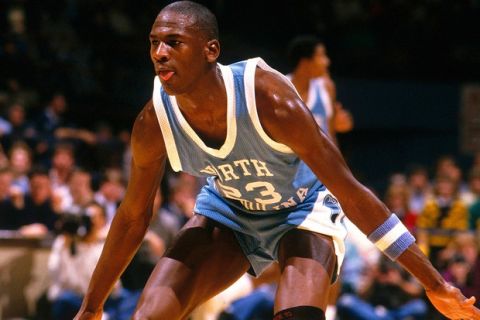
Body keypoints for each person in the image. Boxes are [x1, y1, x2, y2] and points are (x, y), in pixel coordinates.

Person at [75, 2, 480, 320]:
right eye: (153, 42)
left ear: (210, 50)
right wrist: (92, 306)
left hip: (303, 211)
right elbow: (132, 217)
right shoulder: (153, 120)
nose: (160, 53)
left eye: (174, 42)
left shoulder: (269, 99)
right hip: (229, 213)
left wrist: (433, 282)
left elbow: (351, 191)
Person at [286, 35, 353, 142]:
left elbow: (331, 136)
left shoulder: (327, 87)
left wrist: (338, 122)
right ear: (305, 62)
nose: (327, 61)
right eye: (321, 56)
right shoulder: (282, 87)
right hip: (289, 158)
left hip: (318, 158)